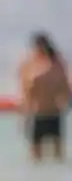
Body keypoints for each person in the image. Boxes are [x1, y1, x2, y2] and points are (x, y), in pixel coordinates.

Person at [18, 31, 72, 161]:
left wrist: (66, 102)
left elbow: (66, 87)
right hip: (37, 114)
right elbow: (25, 92)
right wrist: (24, 116)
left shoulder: (57, 64)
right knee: (35, 158)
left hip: (54, 113)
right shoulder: (29, 64)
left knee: (59, 157)